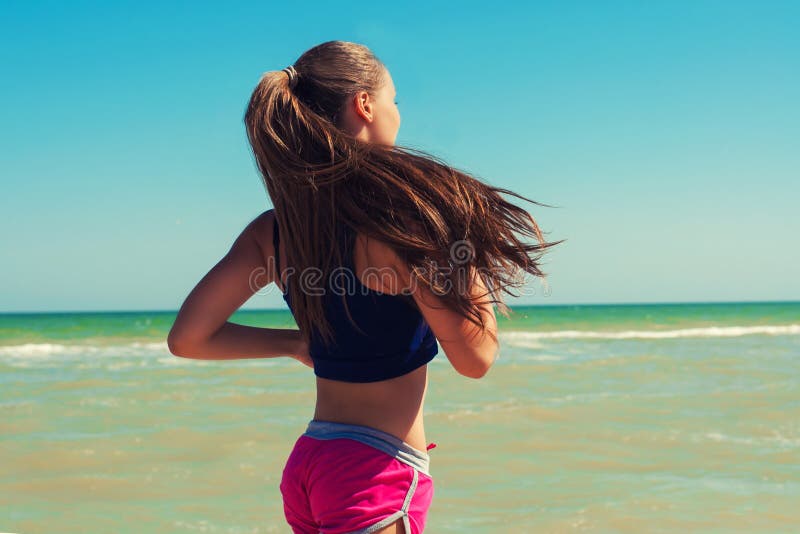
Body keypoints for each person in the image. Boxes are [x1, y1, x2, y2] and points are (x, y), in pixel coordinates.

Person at [168, 40, 560, 534]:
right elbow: (475, 358)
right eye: (394, 100)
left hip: (311, 464)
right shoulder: (406, 224)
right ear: (365, 104)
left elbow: (188, 338)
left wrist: (293, 344)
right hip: (374, 475)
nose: (398, 113)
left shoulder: (275, 230)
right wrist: (461, 243)